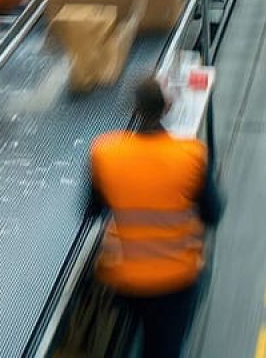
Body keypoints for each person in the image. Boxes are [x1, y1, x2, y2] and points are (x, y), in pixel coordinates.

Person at [89, 78, 223, 358]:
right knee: (165, 347)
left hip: (125, 278)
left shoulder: (105, 152)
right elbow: (212, 213)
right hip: (176, 279)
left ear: (134, 111)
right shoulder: (190, 154)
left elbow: (93, 210)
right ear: (167, 108)